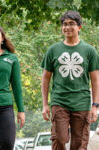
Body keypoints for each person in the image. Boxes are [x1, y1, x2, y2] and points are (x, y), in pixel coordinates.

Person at [41, 10, 99, 150]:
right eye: (64, 24)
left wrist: (95, 105)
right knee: (59, 138)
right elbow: (45, 79)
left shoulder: (89, 51)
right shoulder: (53, 50)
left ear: (79, 27)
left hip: (81, 102)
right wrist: (45, 105)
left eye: (71, 24)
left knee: (79, 143)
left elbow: (95, 79)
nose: (67, 27)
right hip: (59, 101)